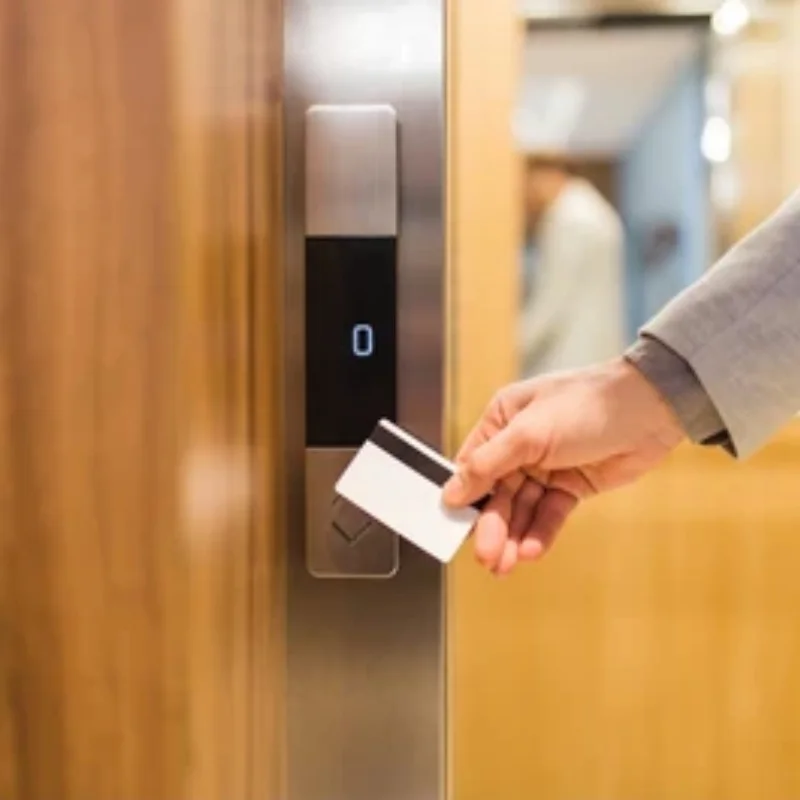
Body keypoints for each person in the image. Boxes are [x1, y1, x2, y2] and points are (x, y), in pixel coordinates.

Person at [444, 188, 800, 576]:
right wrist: (640, 390)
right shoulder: (587, 215)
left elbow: (550, 308)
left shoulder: (575, 219)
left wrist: (634, 390)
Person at [519, 154, 625, 377]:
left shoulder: (573, 220)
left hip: (573, 357)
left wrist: (506, 348)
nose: (525, 195)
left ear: (545, 174)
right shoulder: (586, 209)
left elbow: (551, 303)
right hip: (587, 356)